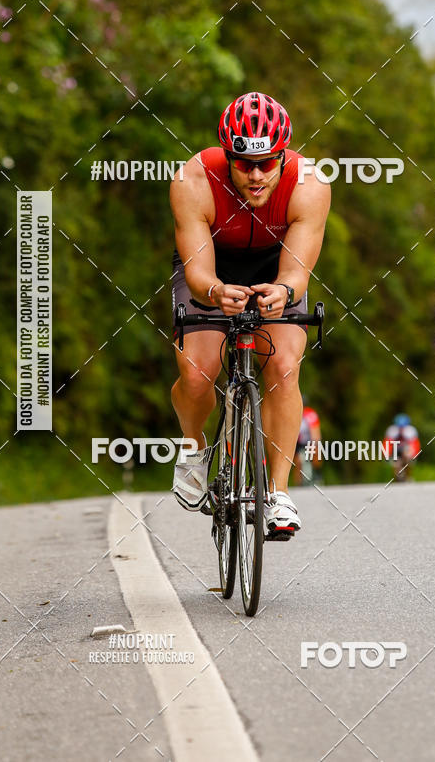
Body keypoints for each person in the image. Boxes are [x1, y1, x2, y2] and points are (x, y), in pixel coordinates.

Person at [169, 91, 330, 538]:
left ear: (284, 154)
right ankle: (194, 448)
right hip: (212, 268)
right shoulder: (192, 180)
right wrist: (216, 290)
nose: (256, 175)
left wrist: (285, 290)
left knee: (282, 365)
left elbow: (296, 272)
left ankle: (276, 493)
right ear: (226, 156)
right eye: (243, 163)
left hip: (274, 270)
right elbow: (198, 272)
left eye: (266, 162)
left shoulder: (311, 184)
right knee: (198, 373)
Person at [382, 414, 421, 481]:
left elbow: (414, 445)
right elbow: (387, 444)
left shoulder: (411, 431)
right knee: (396, 463)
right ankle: (397, 477)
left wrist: (413, 455)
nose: (401, 428)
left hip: (406, 450)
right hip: (395, 450)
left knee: (408, 458)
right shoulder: (391, 430)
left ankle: (408, 476)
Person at [294, 398, 322, 486]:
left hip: (309, 441)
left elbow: (315, 432)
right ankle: (298, 483)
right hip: (298, 442)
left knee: (316, 453)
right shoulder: (294, 414)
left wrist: (315, 444)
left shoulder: (310, 414)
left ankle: (317, 473)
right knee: (297, 462)